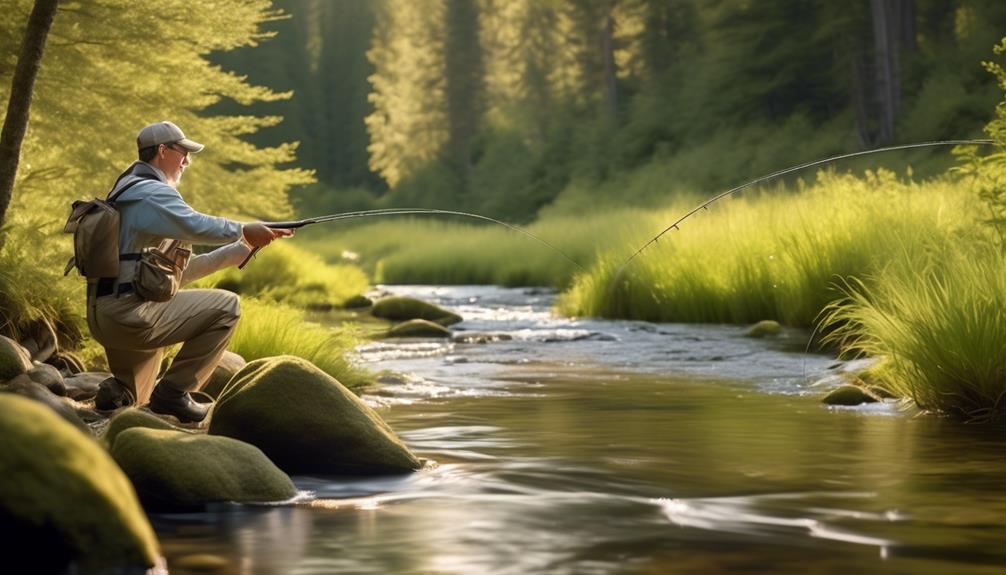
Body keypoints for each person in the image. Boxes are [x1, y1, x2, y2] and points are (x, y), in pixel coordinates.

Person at [89, 121, 292, 422]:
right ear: (162, 151)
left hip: (105, 315)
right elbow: (197, 225)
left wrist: (243, 247)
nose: (187, 160)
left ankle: (118, 392)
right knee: (228, 306)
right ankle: (173, 393)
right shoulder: (153, 193)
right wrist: (243, 228)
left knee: (134, 405)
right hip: (130, 316)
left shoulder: (124, 190)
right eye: (183, 152)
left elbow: (172, 277)